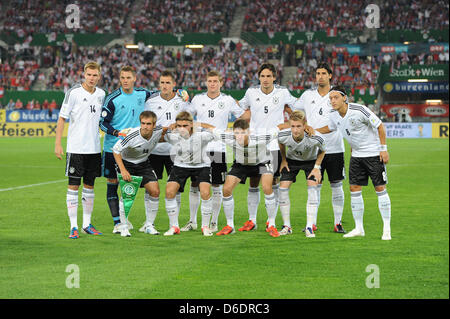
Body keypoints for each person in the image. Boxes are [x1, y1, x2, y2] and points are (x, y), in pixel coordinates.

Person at [316, 85, 391, 240]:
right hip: (356, 156)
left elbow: (379, 125)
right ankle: (359, 228)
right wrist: (312, 130)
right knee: (354, 189)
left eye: (336, 97)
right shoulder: (334, 115)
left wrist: (383, 149)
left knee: (379, 188)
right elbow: (330, 128)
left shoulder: (359, 109)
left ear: (345, 97)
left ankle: (386, 229)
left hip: (373, 154)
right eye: (330, 98)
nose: (332, 100)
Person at [181, 70, 248, 233]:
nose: (212, 84)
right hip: (199, 147)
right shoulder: (198, 99)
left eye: (215, 81)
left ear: (221, 82)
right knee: (195, 184)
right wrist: (183, 101)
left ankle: (214, 222)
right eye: (210, 81)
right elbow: (186, 116)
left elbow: (243, 116)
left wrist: (238, 132)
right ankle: (192, 221)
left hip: (218, 149)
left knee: (217, 185)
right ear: (206, 82)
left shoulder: (227, 100)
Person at [201, 119, 289, 237]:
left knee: (267, 187)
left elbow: (279, 126)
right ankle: (230, 225)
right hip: (241, 164)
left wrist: (305, 126)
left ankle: (271, 225)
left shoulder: (262, 138)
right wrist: (195, 124)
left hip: (263, 162)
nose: (239, 136)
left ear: (248, 132)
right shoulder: (228, 138)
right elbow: (211, 128)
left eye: (242, 133)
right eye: (236, 133)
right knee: (226, 190)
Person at [238, 63, 297, 232]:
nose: (265, 79)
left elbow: (296, 105)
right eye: (262, 76)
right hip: (254, 145)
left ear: (274, 77)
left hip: (272, 145)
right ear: (259, 77)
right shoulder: (251, 92)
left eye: (268, 76)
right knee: (253, 181)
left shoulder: (282, 92)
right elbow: (238, 106)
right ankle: (252, 220)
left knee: (271, 182)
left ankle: (271, 220)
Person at [99, 65, 158, 234]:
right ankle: (118, 222)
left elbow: (159, 92)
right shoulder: (112, 99)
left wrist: (178, 90)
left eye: (128, 77)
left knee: (133, 186)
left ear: (134, 78)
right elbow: (102, 123)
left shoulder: (142, 93)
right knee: (113, 184)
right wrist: (117, 132)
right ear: (120, 79)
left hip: (136, 150)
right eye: (122, 78)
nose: (125, 81)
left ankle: (136, 222)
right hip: (114, 148)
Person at [293, 62, 346, 234]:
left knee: (336, 184)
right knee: (314, 185)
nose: (320, 76)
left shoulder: (337, 96)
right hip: (313, 149)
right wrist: (303, 125)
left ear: (330, 75)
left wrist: (314, 130)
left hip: (335, 147)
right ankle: (312, 223)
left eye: (324, 73)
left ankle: (338, 223)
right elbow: (294, 111)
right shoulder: (307, 96)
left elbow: (337, 123)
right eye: (318, 73)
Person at [54, 61, 106, 239]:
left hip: (94, 149)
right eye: (89, 74)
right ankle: (73, 226)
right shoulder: (73, 93)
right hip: (76, 148)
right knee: (73, 186)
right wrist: (58, 144)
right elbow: (62, 119)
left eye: (95, 75)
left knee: (90, 187)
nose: (92, 78)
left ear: (99, 76)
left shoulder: (101, 94)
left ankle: (87, 224)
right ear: (84, 75)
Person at [145, 71, 190, 232]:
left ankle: (174, 223)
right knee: (151, 188)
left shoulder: (182, 101)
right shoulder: (151, 102)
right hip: (154, 151)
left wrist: (176, 128)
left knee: (175, 188)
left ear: (173, 85)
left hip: (175, 152)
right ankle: (149, 222)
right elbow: (146, 123)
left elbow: (188, 123)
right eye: (162, 83)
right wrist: (164, 130)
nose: (164, 86)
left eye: (167, 83)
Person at [112, 111, 169, 237]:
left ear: (154, 125)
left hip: (144, 164)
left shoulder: (158, 131)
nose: (145, 126)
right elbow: (116, 150)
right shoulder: (131, 135)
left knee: (155, 191)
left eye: (148, 124)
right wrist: (123, 170)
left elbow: (169, 128)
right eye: (143, 123)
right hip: (127, 164)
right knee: (127, 195)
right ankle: (124, 226)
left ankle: (149, 225)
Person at [162, 111, 216, 237]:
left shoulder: (202, 135)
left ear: (191, 125)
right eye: (179, 126)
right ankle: (174, 226)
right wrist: (169, 128)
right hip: (180, 165)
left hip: (202, 166)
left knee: (205, 192)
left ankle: (205, 226)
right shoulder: (173, 135)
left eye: (185, 126)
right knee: (169, 192)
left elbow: (214, 129)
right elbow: (160, 136)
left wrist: (199, 124)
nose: (181, 129)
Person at [277, 110, 326, 238]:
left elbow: (323, 150)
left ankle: (309, 227)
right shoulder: (283, 135)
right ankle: (287, 226)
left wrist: (316, 167)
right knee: (282, 189)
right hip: (291, 161)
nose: (295, 130)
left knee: (312, 188)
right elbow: (281, 143)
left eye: (298, 126)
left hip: (310, 162)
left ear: (304, 125)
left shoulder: (315, 137)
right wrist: (283, 160)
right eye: (293, 126)